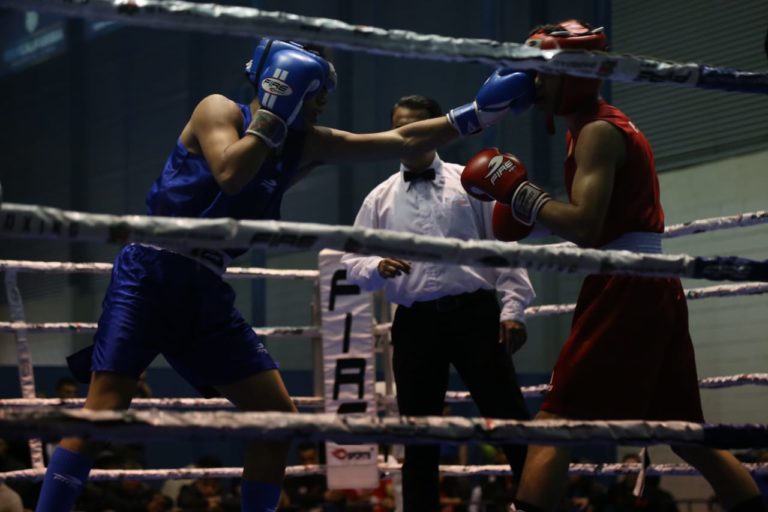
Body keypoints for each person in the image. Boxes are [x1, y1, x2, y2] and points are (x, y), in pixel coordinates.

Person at [35, 38, 535, 512]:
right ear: (282, 82)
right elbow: (231, 173)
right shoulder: (219, 110)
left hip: (207, 288)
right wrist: (272, 112)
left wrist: (473, 116)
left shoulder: (305, 144)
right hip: (153, 270)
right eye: (315, 95)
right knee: (100, 415)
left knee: (277, 423)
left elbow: (399, 138)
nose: (320, 107)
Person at [459, 19, 766, 512]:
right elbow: (596, 221)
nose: (534, 85)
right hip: (645, 285)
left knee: (554, 427)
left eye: (544, 74)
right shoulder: (593, 127)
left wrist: (519, 193)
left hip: (627, 286)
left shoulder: (598, 132)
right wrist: (530, 213)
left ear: (575, 75)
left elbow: (584, 225)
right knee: (685, 434)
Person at [341, 94, 535, 511]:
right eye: (397, 128)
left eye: (413, 126)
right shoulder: (379, 198)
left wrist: (513, 309)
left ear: (437, 130)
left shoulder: (472, 182)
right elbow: (350, 262)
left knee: (511, 421)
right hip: (415, 325)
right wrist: (376, 266)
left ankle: (537, 505)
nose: (404, 136)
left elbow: (504, 249)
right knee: (419, 437)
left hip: (476, 317)